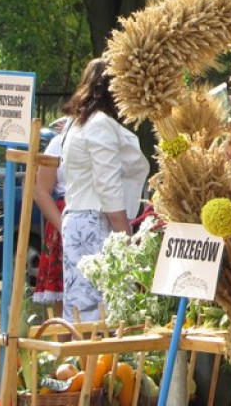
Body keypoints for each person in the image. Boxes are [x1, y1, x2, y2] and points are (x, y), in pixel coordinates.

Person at [61, 59, 149, 322]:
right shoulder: (99, 124)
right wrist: (126, 239)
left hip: (79, 221)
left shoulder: (78, 123)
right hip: (96, 223)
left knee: (82, 311)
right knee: (104, 314)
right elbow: (108, 188)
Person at [33, 124, 69, 312]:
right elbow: (41, 192)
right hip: (63, 217)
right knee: (63, 292)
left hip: (100, 212)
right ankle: (62, 330)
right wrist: (64, 228)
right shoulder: (58, 142)